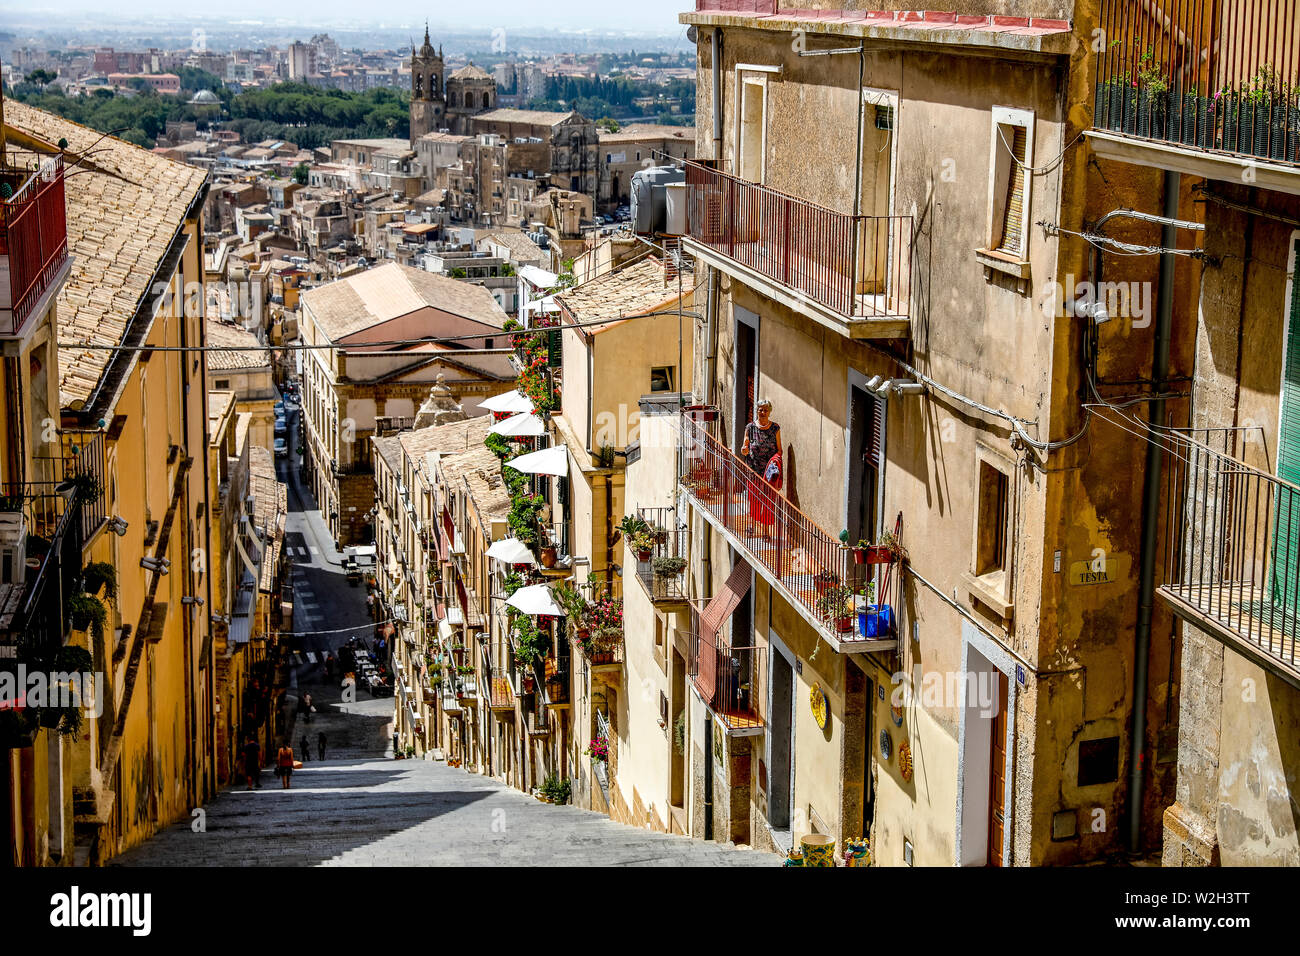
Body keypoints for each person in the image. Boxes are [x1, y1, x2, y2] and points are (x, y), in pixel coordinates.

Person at [740, 398, 783, 538]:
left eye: (765, 410)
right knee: (753, 500)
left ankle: (765, 531)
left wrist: (775, 461)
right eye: (760, 409)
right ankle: (751, 526)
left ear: (770, 412)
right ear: (756, 411)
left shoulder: (775, 428)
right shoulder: (750, 428)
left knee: (768, 502)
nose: (763, 412)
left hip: (769, 473)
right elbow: (744, 447)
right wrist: (744, 449)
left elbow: (780, 450)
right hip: (753, 470)